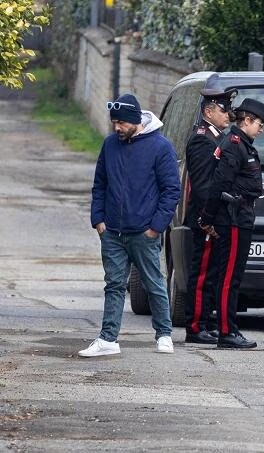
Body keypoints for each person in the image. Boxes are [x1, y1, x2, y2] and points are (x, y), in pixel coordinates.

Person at [80, 93, 180, 357]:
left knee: (153, 283)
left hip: (144, 231)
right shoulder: (110, 144)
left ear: (135, 121)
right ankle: (108, 339)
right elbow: (99, 184)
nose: (117, 128)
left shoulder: (160, 147)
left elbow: (171, 190)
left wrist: (156, 227)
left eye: (121, 123)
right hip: (112, 230)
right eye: (114, 122)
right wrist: (98, 220)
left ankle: (164, 334)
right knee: (113, 284)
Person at [198, 98, 264, 349]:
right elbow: (220, 183)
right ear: (247, 120)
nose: (261, 129)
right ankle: (227, 332)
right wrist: (208, 218)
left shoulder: (243, 145)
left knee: (232, 276)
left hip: (240, 217)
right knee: (229, 278)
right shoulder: (235, 145)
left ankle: (228, 329)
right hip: (232, 218)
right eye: (259, 124)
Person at [184, 88, 237, 344]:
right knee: (203, 272)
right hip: (206, 218)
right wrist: (208, 218)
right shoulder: (202, 139)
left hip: (214, 216)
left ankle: (205, 320)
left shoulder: (216, 137)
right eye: (223, 109)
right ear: (208, 111)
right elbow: (203, 185)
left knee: (213, 272)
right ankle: (195, 326)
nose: (229, 114)